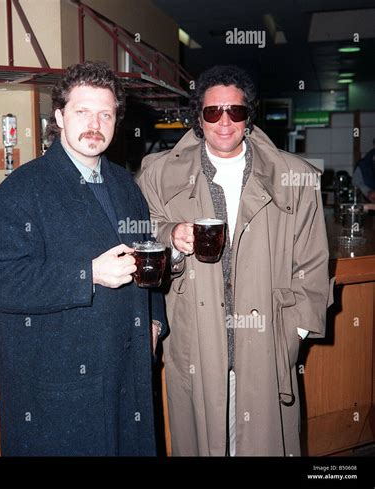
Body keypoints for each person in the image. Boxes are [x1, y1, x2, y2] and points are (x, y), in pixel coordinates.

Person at [137, 65, 333, 456]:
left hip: (265, 341)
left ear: (248, 117)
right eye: (213, 112)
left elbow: (314, 266)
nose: (224, 122)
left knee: (262, 444)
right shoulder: (158, 175)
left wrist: (290, 335)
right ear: (198, 118)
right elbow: (142, 238)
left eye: (235, 112)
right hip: (195, 342)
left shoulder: (295, 177)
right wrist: (172, 238)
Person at [0, 61, 167, 456]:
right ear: (59, 117)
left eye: (106, 114)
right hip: (56, 382)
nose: (94, 124)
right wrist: (88, 274)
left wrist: (153, 322)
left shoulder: (125, 186)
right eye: (82, 111)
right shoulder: (22, 190)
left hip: (124, 368)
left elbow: (145, 256)